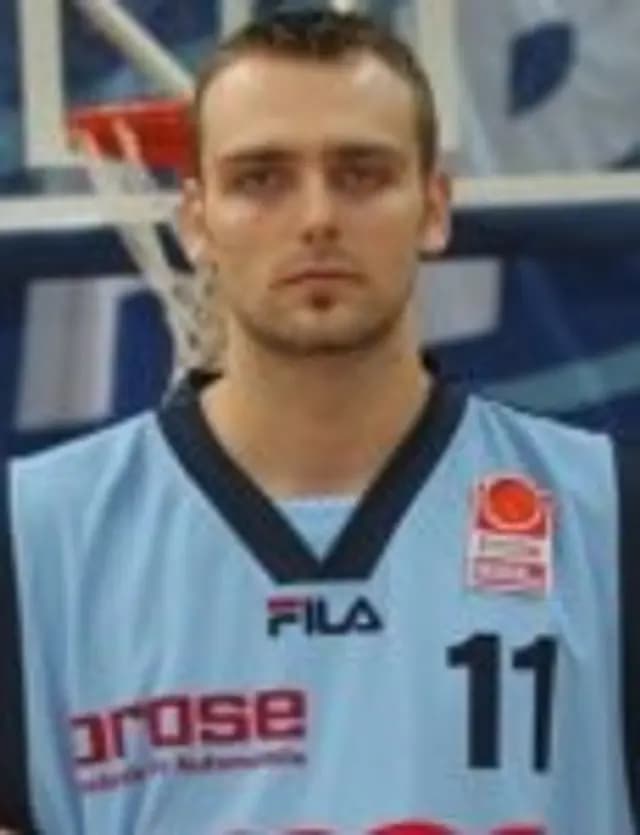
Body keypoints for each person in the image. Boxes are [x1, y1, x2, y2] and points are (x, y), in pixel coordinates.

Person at [1, 8, 639, 834]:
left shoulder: (605, 514)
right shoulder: (36, 536)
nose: (317, 217)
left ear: (434, 207)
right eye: (261, 178)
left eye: (361, 174)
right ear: (195, 220)